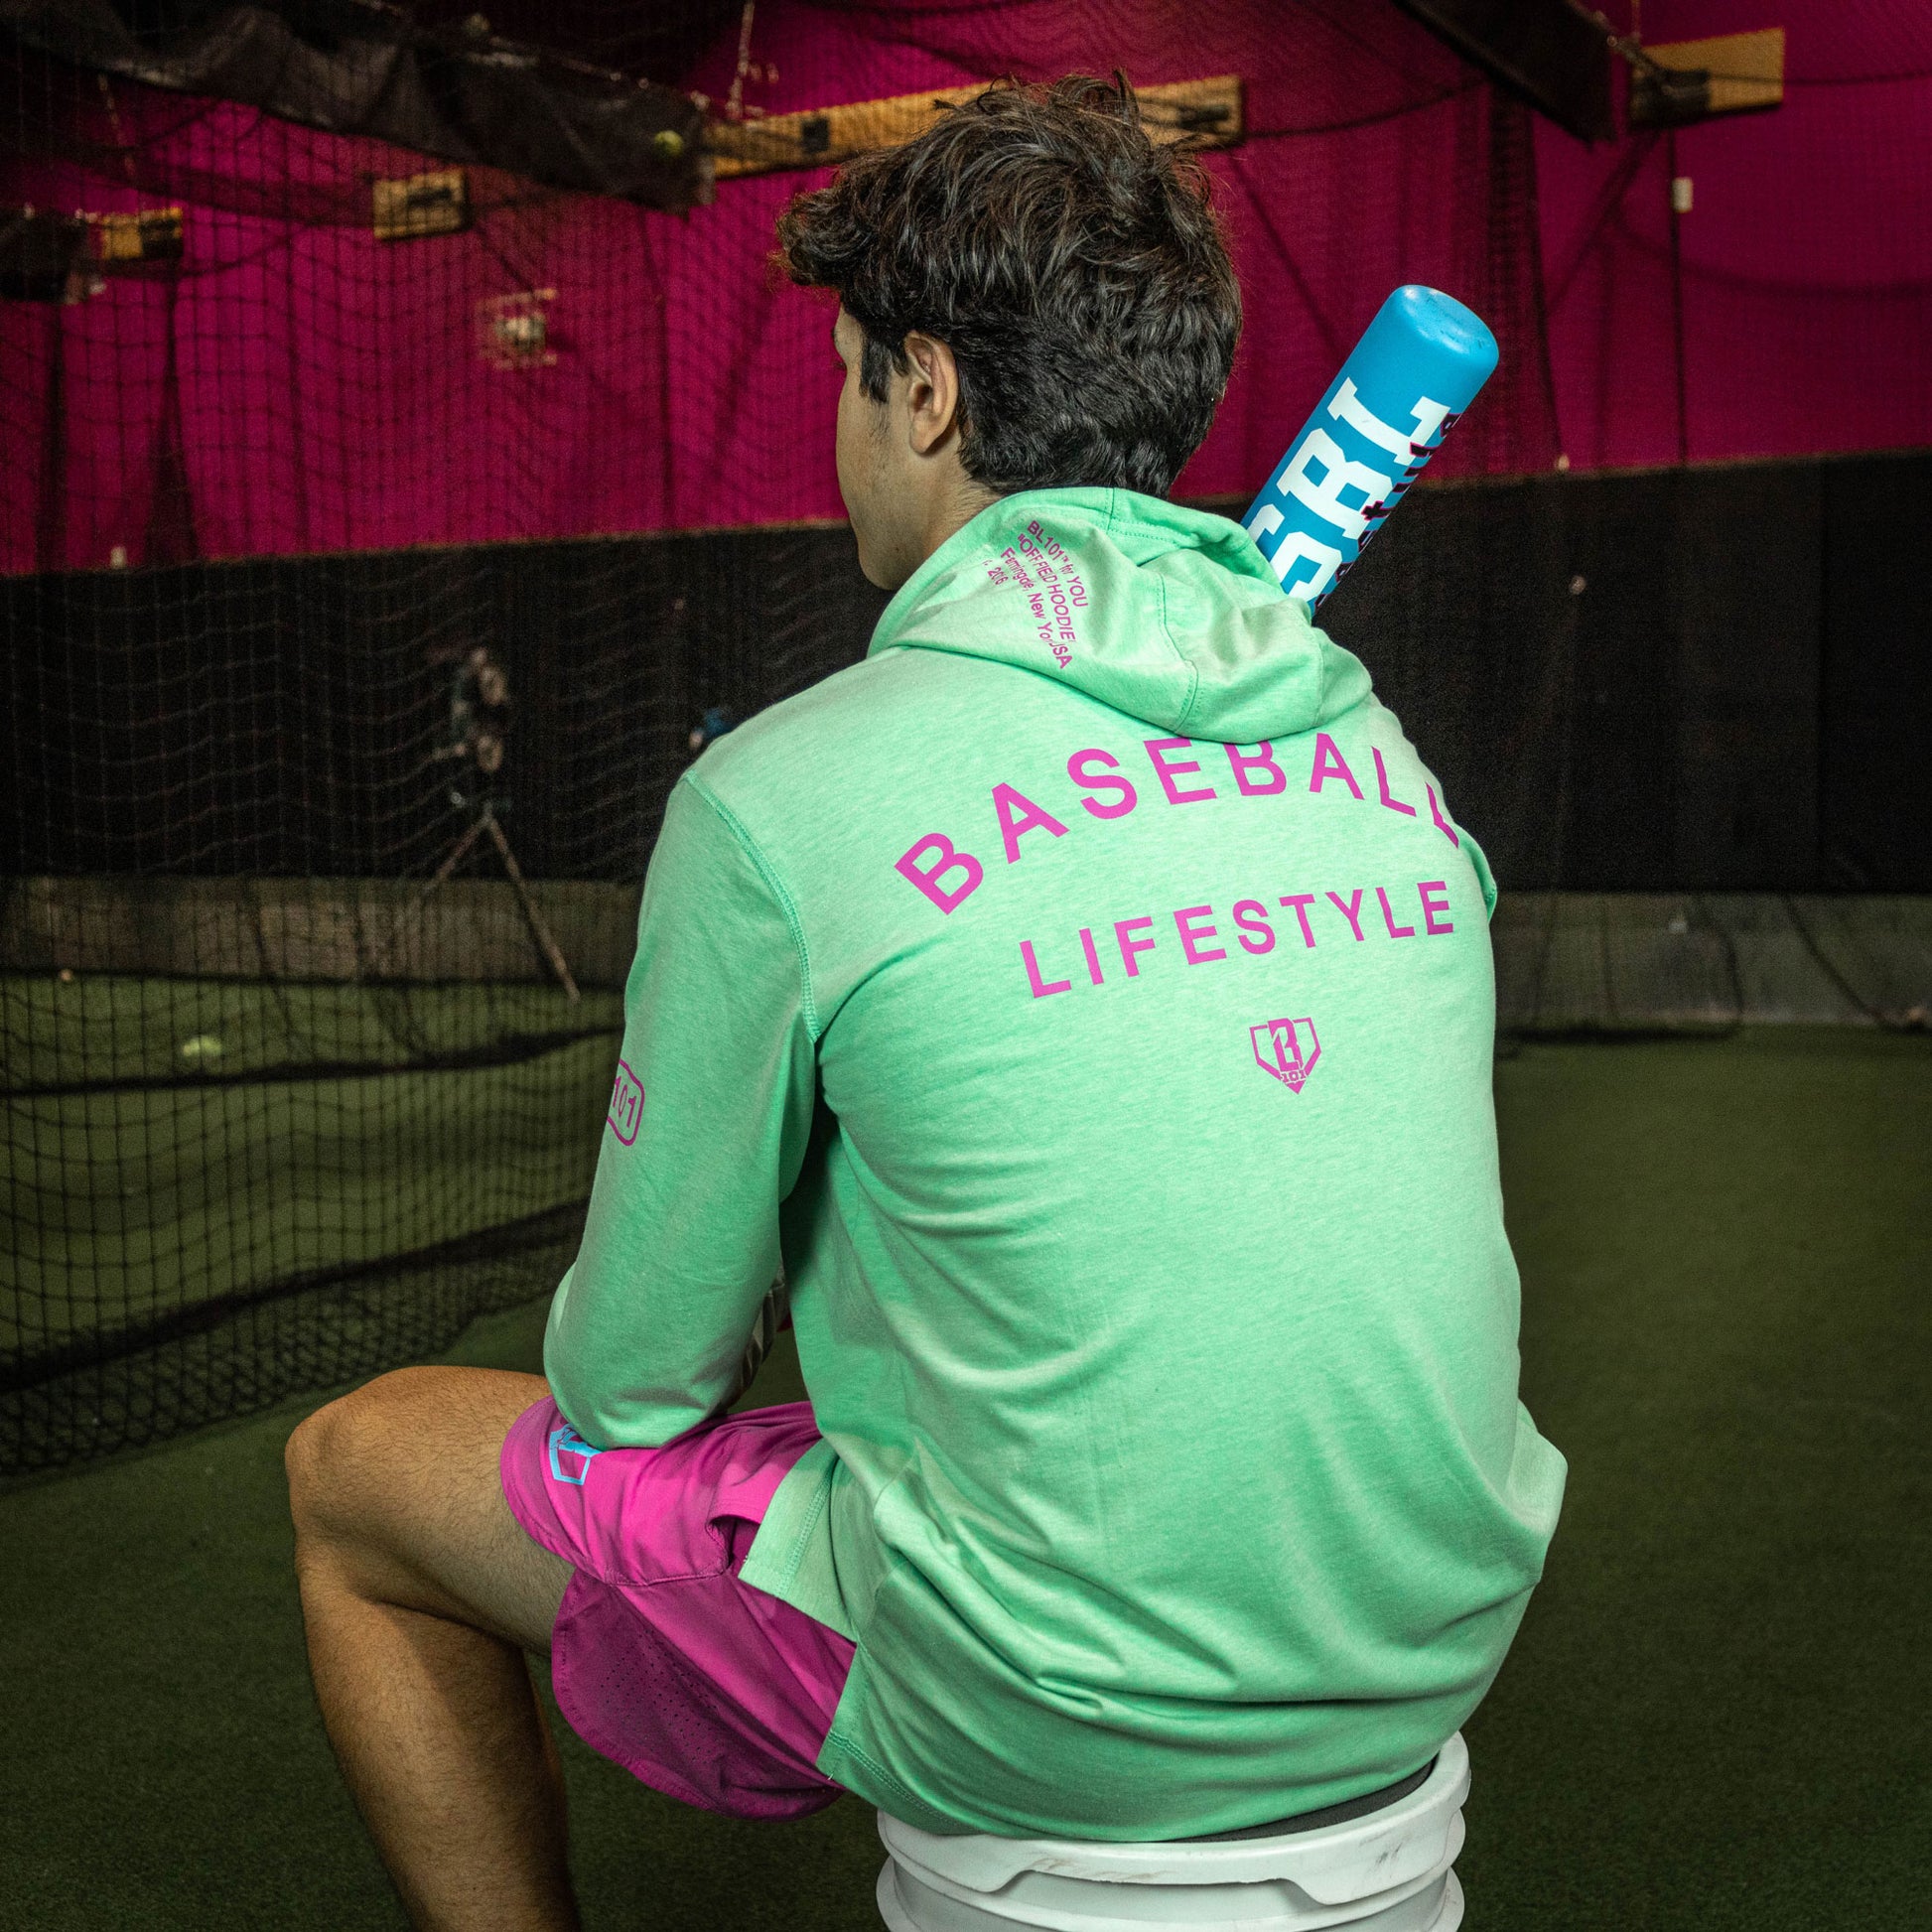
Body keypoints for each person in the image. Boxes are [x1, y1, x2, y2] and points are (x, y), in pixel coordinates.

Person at [285, 76, 1566, 1932]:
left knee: (353, 1475)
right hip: (1433, 1644)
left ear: (931, 394)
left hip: (1042, 1713)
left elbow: (629, 1388)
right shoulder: (1375, 751)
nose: (841, 426)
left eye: (845, 375)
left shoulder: (780, 797)